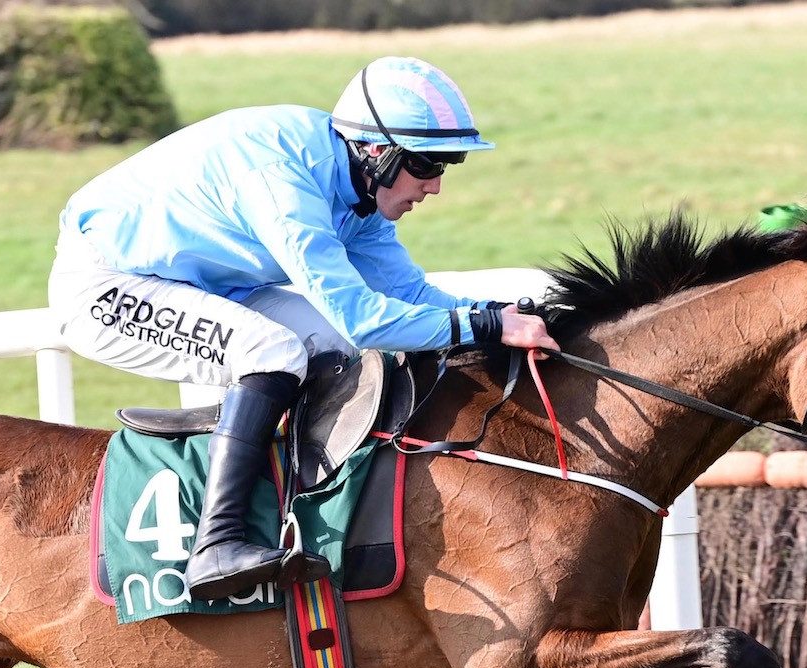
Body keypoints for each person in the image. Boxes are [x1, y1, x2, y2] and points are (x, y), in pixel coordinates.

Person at [50, 56, 560, 601]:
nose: (435, 185)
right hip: (108, 285)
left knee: (335, 347)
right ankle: (216, 543)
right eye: (428, 163)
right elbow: (364, 317)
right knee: (272, 350)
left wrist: (504, 312)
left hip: (199, 284)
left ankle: (306, 507)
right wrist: (483, 325)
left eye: (448, 163)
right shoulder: (285, 177)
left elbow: (409, 299)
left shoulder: (360, 196)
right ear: (376, 152)